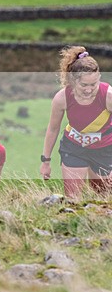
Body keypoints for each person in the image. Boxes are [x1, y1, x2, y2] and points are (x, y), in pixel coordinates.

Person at [40, 46, 112, 197]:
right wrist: (45, 161)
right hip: (74, 148)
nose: (89, 90)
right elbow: (53, 129)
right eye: (84, 85)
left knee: (103, 196)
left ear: (99, 78)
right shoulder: (62, 98)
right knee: (73, 198)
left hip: (104, 149)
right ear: (72, 81)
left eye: (93, 84)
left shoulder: (108, 96)